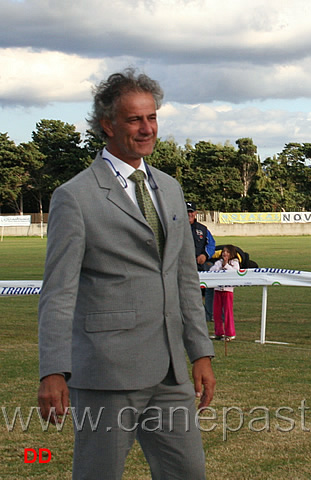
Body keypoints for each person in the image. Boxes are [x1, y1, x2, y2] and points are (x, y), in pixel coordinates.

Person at [37, 69, 216, 480]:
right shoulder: (74, 196)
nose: (147, 128)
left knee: (189, 473)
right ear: (107, 124)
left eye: (151, 117)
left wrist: (200, 352)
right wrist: (52, 370)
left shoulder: (170, 188)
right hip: (106, 372)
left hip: (170, 371)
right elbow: (58, 292)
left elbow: (185, 278)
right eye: (135, 119)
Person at [187, 201, 217, 321]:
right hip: (184, 265)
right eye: (187, 212)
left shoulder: (203, 229)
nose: (189, 214)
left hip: (200, 264)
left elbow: (212, 244)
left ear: (195, 213)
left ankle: (209, 315)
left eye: (191, 212)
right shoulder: (177, 228)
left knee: (212, 285)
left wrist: (205, 255)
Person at [210, 245, 240, 340]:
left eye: (227, 252)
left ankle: (230, 333)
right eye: (223, 251)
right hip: (218, 289)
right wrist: (221, 266)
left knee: (227, 312)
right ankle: (218, 332)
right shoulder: (218, 262)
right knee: (217, 312)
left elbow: (235, 273)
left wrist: (226, 265)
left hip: (228, 290)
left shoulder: (235, 263)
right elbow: (212, 270)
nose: (225, 253)